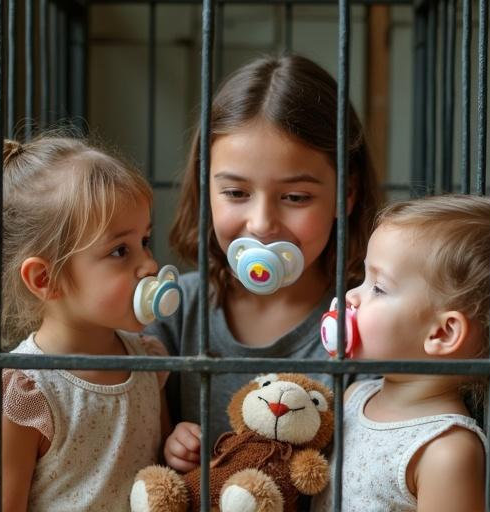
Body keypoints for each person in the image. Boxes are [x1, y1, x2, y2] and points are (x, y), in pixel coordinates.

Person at [145, 54, 381, 471]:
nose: (262, 224)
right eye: (236, 193)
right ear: (206, 189)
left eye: (295, 197)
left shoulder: (368, 322)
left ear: (346, 193)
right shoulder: (173, 310)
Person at [1, 136, 172, 511]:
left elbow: (160, 468)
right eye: (120, 251)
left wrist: (179, 449)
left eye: (145, 241)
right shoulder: (26, 391)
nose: (149, 265)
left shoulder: (147, 359)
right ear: (46, 280)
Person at [313, 194, 489, 512]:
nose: (351, 295)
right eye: (363, 279)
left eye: (378, 287)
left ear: (442, 333)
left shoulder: (446, 451)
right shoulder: (355, 396)